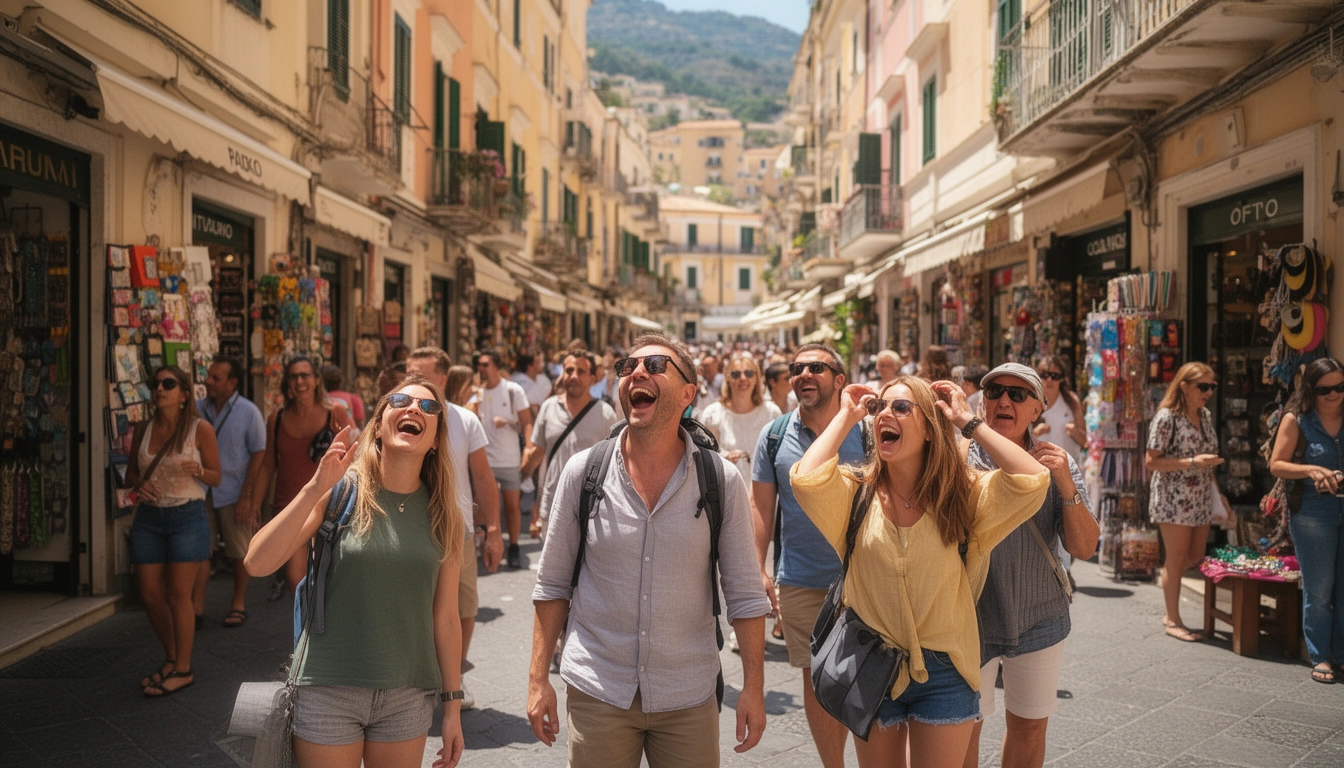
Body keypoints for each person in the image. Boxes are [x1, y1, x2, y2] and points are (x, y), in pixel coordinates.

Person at [527, 334, 772, 766]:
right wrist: (537, 679)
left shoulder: (720, 480)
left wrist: (753, 686)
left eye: (655, 365)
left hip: (687, 693)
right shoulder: (583, 472)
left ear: (687, 394)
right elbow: (552, 583)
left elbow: (745, 592)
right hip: (598, 688)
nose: (636, 372)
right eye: (628, 367)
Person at [791, 375, 1049, 767]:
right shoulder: (855, 492)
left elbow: (1033, 480)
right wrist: (845, 415)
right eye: (879, 408)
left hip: (945, 671)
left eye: (901, 407)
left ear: (929, 429)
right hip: (872, 667)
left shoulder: (963, 495)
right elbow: (806, 481)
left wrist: (966, 421)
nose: (884, 416)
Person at [244, 378, 466, 768]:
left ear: (435, 440)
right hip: (328, 686)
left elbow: (446, 618)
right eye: (401, 401)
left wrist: (452, 709)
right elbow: (257, 563)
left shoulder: (445, 516)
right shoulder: (339, 492)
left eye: (428, 408)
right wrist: (314, 488)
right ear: (379, 424)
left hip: (407, 692)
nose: (414, 409)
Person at [962, 364, 1100, 768]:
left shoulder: (1056, 462)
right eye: (995, 391)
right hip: (969, 616)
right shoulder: (957, 456)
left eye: (1018, 395)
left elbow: (1085, 547)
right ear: (981, 402)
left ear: (1038, 408)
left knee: (1029, 727)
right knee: (963, 726)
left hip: (1039, 613)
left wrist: (1067, 487)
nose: (1004, 400)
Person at [750, 344, 869, 767]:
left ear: (839, 379)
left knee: (868, 681)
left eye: (815, 367)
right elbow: (761, 510)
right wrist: (758, 570)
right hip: (799, 578)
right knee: (818, 683)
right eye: (796, 368)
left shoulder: (870, 430)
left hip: (865, 579)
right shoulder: (775, 434)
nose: (802, 374)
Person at [407, 348, 504, 709]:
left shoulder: (465, 420)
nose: (412, 381)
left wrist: (493, 529)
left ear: (443, 378)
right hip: (410, 527)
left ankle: (455, 678)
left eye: (421, 373)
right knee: (413, 606)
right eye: (408, 373)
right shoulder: (398, 415)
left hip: (456, 531)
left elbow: (482, 476)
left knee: (463, 605)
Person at [129, 366, 221, 697]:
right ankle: (170, 658)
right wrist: (141, 484)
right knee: (151, 595)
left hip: (187, 516)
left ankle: (183, 668)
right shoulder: (142, 428)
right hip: (149, 519)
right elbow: (129, 478)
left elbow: (216, 477)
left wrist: (198, 469)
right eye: (155, 384)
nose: (160, 389)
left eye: (168, 384)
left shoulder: (200, 429)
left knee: (177, 595)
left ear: (184, 394)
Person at [1269, 357, 1344, 684]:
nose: (1333, 395)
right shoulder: (1296, 421)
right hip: (1314, 512)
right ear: (1310, 389)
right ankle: (1321, 656)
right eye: (1324, 389)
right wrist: (1311, 469)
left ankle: (1341, 653)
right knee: (1320, 590)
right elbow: (1276, 464)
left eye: (1340, 387)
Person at [253, 357, 355, 596]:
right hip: (290, 507)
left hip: (331, 506)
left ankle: (323, 627)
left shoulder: (335, 412)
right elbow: (268, 465)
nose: (300, 382)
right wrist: (254, 506)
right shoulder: (276, 418)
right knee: (295, 578)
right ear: (287, 382)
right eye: (294, 376)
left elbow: (353, 457)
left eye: (305, 375)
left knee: (330, 575)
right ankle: (307, 628)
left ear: (316, 380)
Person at [1144, 362, 1224, 642]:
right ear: (1184, 386)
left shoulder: (1205, 416)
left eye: (1212, 386)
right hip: (1173, 498)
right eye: (1203, 386)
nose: (1208, 392)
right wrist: (1192, 462)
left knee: (1195, 557)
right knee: (1176, 559)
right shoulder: (1168, 417)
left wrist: (1218, 495)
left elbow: (1207, 460)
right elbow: (1151, 462)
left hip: (1199, 497)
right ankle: (1172, 618)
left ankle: (1169, 593)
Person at [192, 358, 266, 630]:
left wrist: (247, 496)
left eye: (216, 378)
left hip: (234, 491)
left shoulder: (248, 412)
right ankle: (196, 607)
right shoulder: (198, 409)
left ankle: (238, 602)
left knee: (238, 551)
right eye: (209, 376)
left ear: (232, 383)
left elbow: (259, 454)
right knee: (201, 551)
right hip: (201, 490)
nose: (208, 382)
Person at [521, 350, 619, 538]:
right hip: (552, 505)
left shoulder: (605, 414)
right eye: (569, 370)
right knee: (552, 567)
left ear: (591, 378)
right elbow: (539, 454)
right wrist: (536, 499)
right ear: (562, 374)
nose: (574, 376)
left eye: (581, 371)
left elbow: (613, 464)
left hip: (591, 509)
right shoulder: (548, 408)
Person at [476, 349, 534, 569]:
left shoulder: (512, 390)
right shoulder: (476, 394)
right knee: (484, 506)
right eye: (479, 365)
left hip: (509, 459)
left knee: (512, 506)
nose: (480, 369)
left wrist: (528, 448)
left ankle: (515, 547)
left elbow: (527, 422)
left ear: (496, 366)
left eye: (484, 364)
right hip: (484, 460)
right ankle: (486, 546)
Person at [700, 353, 782, 488]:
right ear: (728, 378)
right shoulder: (712, 414)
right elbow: (705, 458)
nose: (743, 378)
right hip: (727, 492)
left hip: (764, 494)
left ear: (756, 378)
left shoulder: (772, 413)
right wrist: (724, 458)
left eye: (749, 373)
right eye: (736, 374)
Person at [1033, 356, 1086, 459]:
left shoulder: (1071, 400)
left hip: (1068, 470)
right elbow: (1018, 444)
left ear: (1061, 378)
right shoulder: (1030, 401)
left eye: (1054, 376)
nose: (1049, 380)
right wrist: (1034, 434)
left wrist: (1075, 432)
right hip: (1039, 470)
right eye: (1045, 375)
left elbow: (1086, 442)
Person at [511, 353, 553, 419]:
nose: (541, 365)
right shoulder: (517, 381)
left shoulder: (543, 378)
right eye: (537, 362)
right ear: (529, 366)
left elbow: (549, 394)